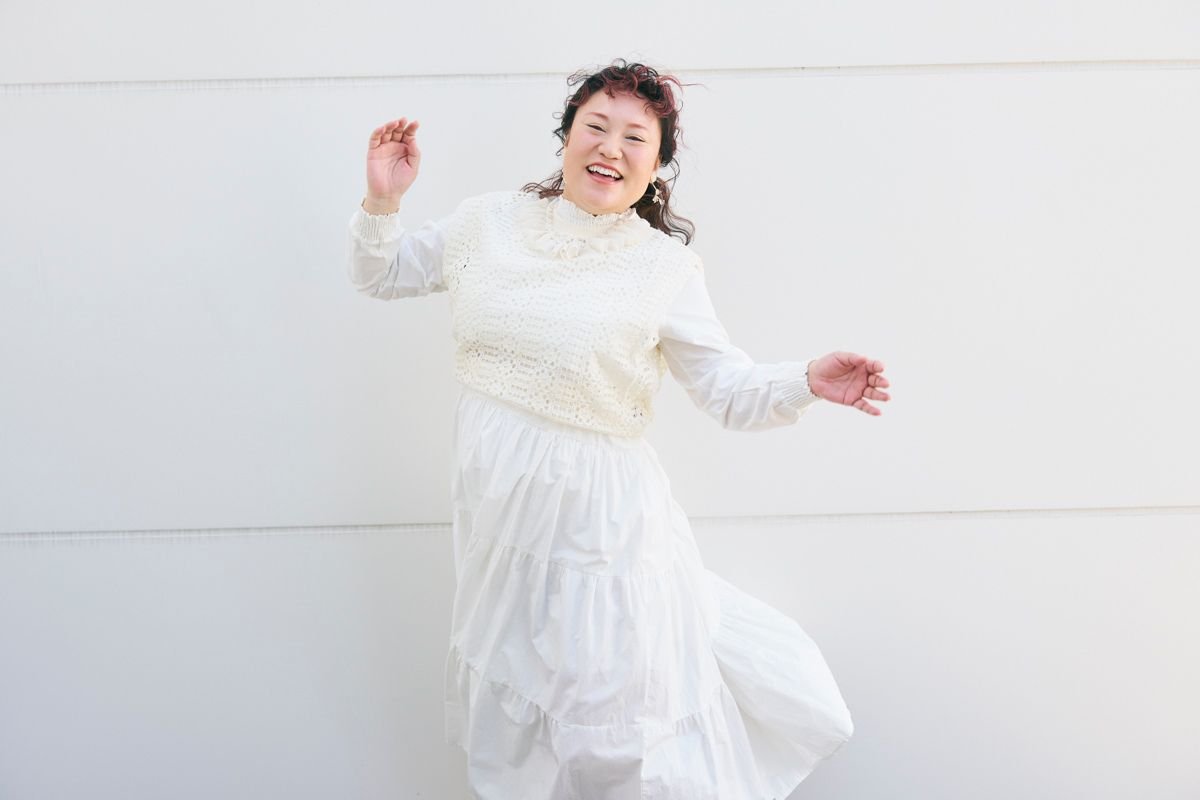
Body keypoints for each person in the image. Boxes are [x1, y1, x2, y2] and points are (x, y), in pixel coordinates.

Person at [347, 58, 890, 800]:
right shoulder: (488, 223)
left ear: (657, 164)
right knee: (521, 725)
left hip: (601, 530)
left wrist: (805, 380)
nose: (610, 148)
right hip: (500, 525)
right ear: (566, 136)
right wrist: (383, 200)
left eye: (636, 137)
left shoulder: (662, 269)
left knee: (611, 727)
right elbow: (382, 275)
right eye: (596, 127)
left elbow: (726, 390)